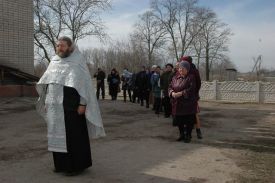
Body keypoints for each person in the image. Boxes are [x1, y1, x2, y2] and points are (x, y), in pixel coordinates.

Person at [36, 36, 105, 175]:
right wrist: (46, 102)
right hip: (55, 107)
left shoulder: (77, 61)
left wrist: (82, 103)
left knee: (73, 137)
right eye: (57, 45)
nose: (59, 48)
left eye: (62, 46)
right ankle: (61, 164)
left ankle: (76, 166)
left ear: (70, 47)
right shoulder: (54, 61)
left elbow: (84, 85)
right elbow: (49, 83)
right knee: (56, 135)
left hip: (72, 106)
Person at [168, 61, 197, 143]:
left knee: (188, 121)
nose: (180, 70)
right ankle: (181, 135)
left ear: (187, 69)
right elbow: (170, 87)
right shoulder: (175, 78)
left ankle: (188, 135)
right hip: (177, 103)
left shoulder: (191, 77)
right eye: (179, 68)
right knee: (179, 120)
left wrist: (181, 93)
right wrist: (172, 93)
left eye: (183, 68)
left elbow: (192, 89)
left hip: (188, 104)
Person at [180, 56, 202, 139]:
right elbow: (199, 83)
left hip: (188, 95)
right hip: (192, 95)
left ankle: (193, 130)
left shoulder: (188, 70)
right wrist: (196, 93)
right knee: (194, 113)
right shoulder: (195, 70)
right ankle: (198, 131)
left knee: (189, 113)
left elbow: (198, 83)